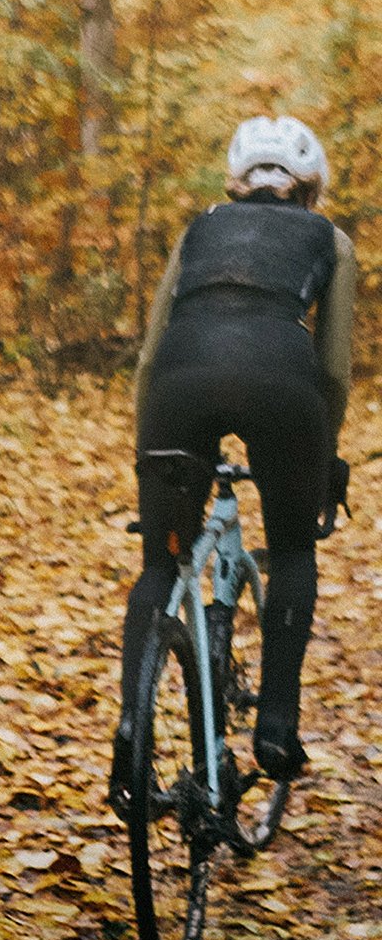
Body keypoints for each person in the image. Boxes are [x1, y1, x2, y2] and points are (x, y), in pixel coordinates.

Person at [111, 115, 356, 808]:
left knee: (160, 564)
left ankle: (132, 727)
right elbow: (333, 367)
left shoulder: (198, 230)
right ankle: (276, 726)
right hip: (283, 384)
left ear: (237, 181)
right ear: (309, 187)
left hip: (178, 384)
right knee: (294, 551)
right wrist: (323, 454)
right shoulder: (328, 239)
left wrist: (147, 455)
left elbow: (153, 352)